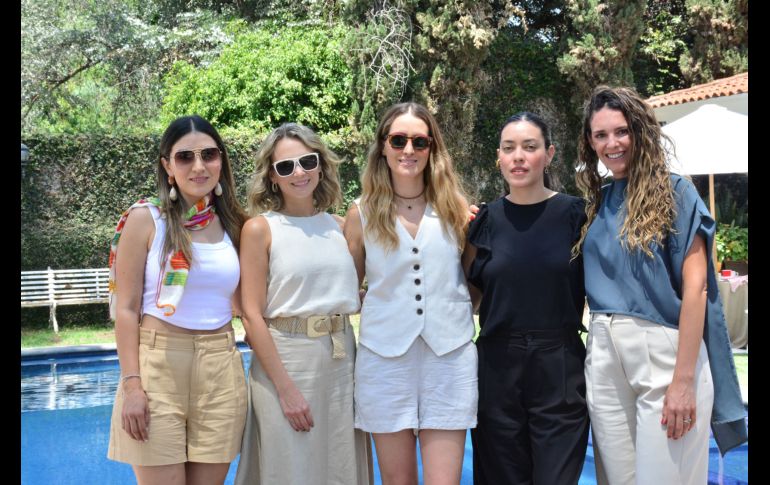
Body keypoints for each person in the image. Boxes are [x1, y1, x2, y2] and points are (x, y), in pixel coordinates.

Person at [576, 85, 748, 484]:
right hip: (602, 353)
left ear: (640, 130)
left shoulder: (677, 191)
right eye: (600, 135)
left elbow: (697, 289)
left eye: (621, 131)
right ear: (590, 141)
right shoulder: (597, 201)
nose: (612, 143)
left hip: (666, 354)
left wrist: (684, 381)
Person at [107, 115, 248, 484]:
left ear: (221, 160)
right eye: (185, 157)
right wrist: (132, 384)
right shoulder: (146, 219)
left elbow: (249, 302)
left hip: (220, 368)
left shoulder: (236, 224)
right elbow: (125, 309)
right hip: (157, 369)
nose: (199, 166)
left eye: (209, 154)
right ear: (168, 166)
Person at [344, 102, 477, 485]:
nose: (409, 150)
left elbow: (473, 283)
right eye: (398, 139)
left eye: (419, 141)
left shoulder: (456, 210)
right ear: (383, 146)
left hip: (449, 359)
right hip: (384, 360)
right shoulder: (361, 213)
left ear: (432, 148)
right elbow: (348, 289)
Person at [234, 123, 372, 485]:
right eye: (285, 167)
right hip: (287, 361)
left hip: (343, 360)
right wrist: (286, 388)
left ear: (320, 165)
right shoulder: (260, 229)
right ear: (272, 177)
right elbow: (251, 314)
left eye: (307, 161)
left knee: (341, 466)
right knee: (290, 468)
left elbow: (351, 289)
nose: (299, 172)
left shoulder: (340, 227)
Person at [462, 111, 590, 484]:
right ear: (498, 157)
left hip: (560, 368)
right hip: (497, 369)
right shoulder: (482, 222)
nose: (519, 156)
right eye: (509, 148)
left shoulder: (577, 215)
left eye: (530, 147)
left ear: (548, 154)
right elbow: (466, 297)